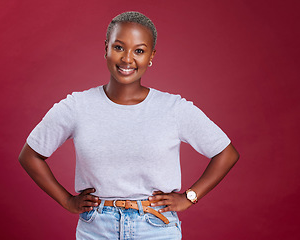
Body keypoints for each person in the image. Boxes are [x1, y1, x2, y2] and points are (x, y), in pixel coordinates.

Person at [18, 11, 239, 239]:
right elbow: (30, 155)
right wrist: (66, 200)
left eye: (139, 51)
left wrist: (190, 197)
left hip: (156, 227)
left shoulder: (173, 108)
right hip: (96, 228)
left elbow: (226, 153)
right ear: (106, 48)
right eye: (119, 47)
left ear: (151, 56)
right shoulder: (77, 106)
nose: (127, 59)